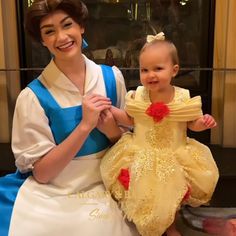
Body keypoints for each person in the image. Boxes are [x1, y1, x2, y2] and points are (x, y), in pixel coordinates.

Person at [0, 0, 139, 235]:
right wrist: (84, 127)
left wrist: (112, 132)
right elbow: (42, 174)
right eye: (49, 32)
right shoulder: (33, 97)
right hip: (56, 190)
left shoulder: (112, 79)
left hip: (109, 182)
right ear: (42, 40)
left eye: (67, 25)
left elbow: (132, 147)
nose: (62, 37)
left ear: (81, 27)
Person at [100, 32, 219, 236]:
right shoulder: (139, 95)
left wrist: (203, 123)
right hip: (141, 153)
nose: (150, 75)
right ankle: (144, 223)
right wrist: (111, 110)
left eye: (158, 69)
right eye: (144, 70)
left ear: (174, 70)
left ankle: (170, 224)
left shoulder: (182, 97)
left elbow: (192, 123)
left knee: (170, 194)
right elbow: (130, 119)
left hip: (174, 154)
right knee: (143, 193)